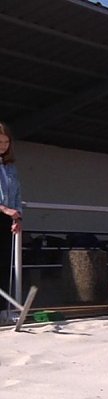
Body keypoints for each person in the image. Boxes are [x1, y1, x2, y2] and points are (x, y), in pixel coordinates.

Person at [0, 123, 21, 316]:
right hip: (2, 212)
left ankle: (4, 309)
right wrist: (5, 209)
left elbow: (16, 195)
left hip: (7, 218)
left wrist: (17, 216)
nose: (3, 145)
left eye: (6, 142)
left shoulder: (10, 167)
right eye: (0, 142)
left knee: (6, 263)